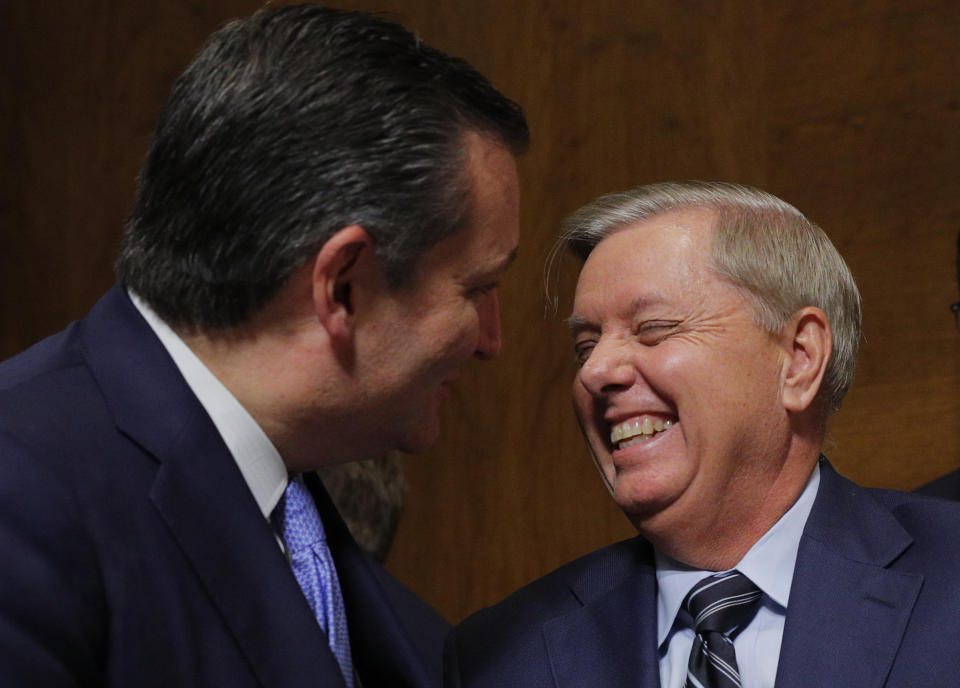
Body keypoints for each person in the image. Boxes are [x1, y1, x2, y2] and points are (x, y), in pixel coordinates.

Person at [0, 5, 527, 688]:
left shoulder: (293, 507)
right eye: (477, 287)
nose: (493, 340)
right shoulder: (23, 491)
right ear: (342, 288)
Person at [445, 182, 960, 688]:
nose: (595, 372)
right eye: (585, 346)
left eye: (653, 328)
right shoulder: (502, 657)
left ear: (799, 360)